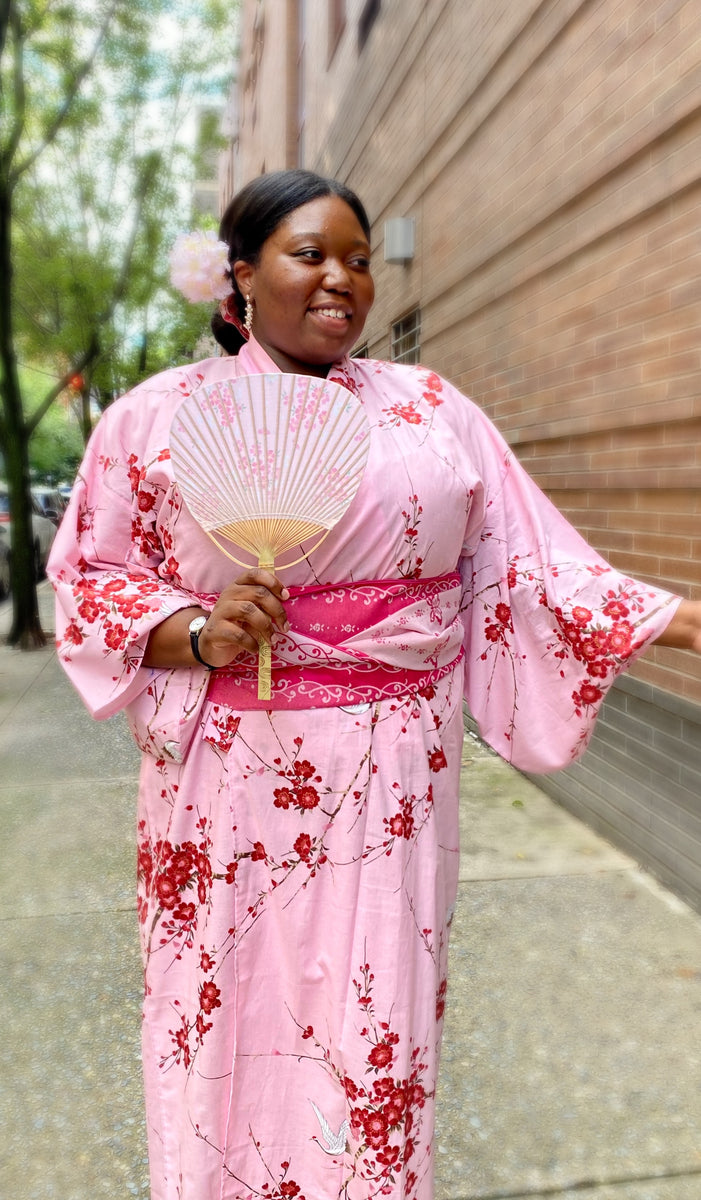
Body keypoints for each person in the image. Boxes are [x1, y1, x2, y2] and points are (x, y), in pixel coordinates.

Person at [48, 168, 701, 1200]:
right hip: (231, 778)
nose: (341, 279)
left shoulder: (432, 409)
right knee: (227, 1012)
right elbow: (89, 587)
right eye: (309, 253)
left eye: (357, 259)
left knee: (371, 1024)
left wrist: (675, 619)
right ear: (241, 275)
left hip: (393, 772)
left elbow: (528, 567)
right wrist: (193, 631)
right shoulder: (152, 420)